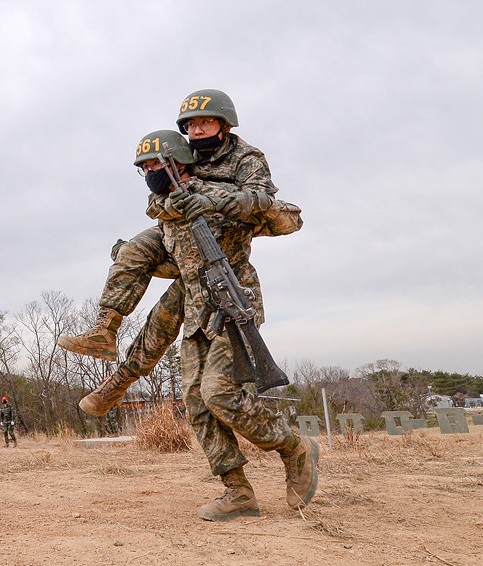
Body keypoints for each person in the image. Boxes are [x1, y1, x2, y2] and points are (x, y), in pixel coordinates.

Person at [61, 89, 302, 417]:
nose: (197, 130)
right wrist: (177, 200)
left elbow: (263, 203)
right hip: (181, 239)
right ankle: (105, 330)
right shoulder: (180, 151)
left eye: (206, 122)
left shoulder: (247, 158)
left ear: (225, 125)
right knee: (131, 252)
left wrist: (208, 197)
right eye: (191, 125)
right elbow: (155, 198)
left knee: (161, 321)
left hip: (219, 252)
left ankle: (117, 383)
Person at [134, 128, 319, 520]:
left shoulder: (227, 189)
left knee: (218, 392)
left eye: (158, 164)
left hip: (234, 303)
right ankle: (237, 492)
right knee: (197, 403)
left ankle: (293, 446)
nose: (152, 171)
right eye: (145, 167)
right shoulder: (167, 206)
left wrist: (214, 200)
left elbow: (284, 214)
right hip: (196, 311)